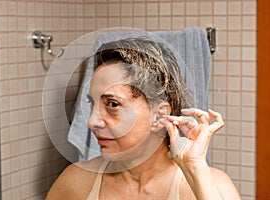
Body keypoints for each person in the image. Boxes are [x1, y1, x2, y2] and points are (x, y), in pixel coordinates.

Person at [46, 37, 241, 199]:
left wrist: (196, 170)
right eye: (92, 103)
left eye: (112, 104)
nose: (92, 121)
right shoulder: (76, 182)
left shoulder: (211, 186)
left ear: (160, 116)